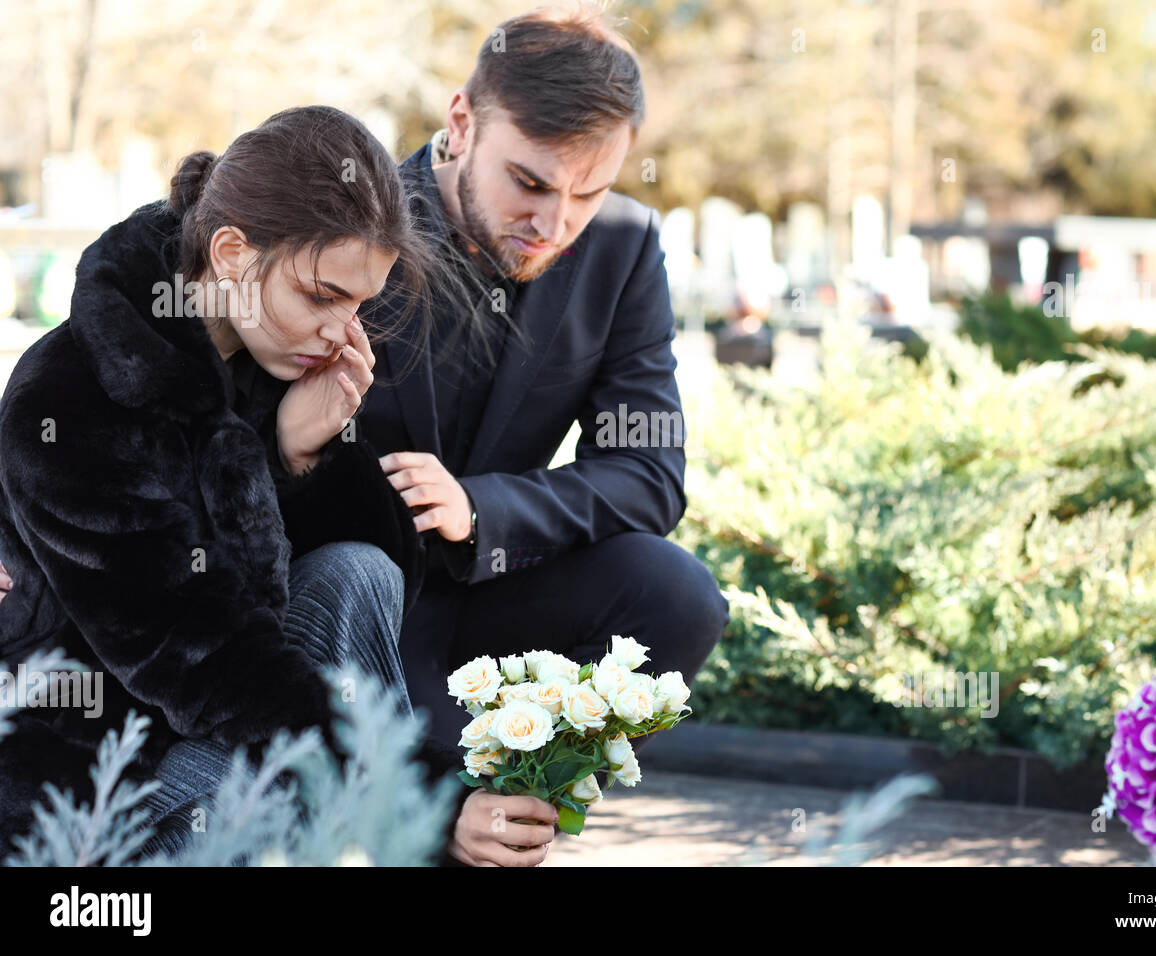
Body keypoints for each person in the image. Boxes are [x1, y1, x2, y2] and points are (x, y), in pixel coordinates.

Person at [0, 106, 556, 867]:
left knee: (357, 571)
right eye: (323, 296)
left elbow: (388, 575)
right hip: (97, 784)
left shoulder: (274, 357)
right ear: (230, 251)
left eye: (360, 305)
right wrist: (424, 800)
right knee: (280, 780)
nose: (342, 331)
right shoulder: (71, 399)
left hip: (217, 734)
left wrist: (297, 457)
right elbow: (200, 656)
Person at [357, 7, 731, 764]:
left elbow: (648, 475)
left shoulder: (622, 248)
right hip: (354, 610)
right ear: (461, 123)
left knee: (677, 594)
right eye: (530, 182)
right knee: (432, 813)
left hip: (502, 591)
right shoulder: (352, 222)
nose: (555, 224)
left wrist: (482, 510)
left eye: (589, 193)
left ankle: (531, 785)